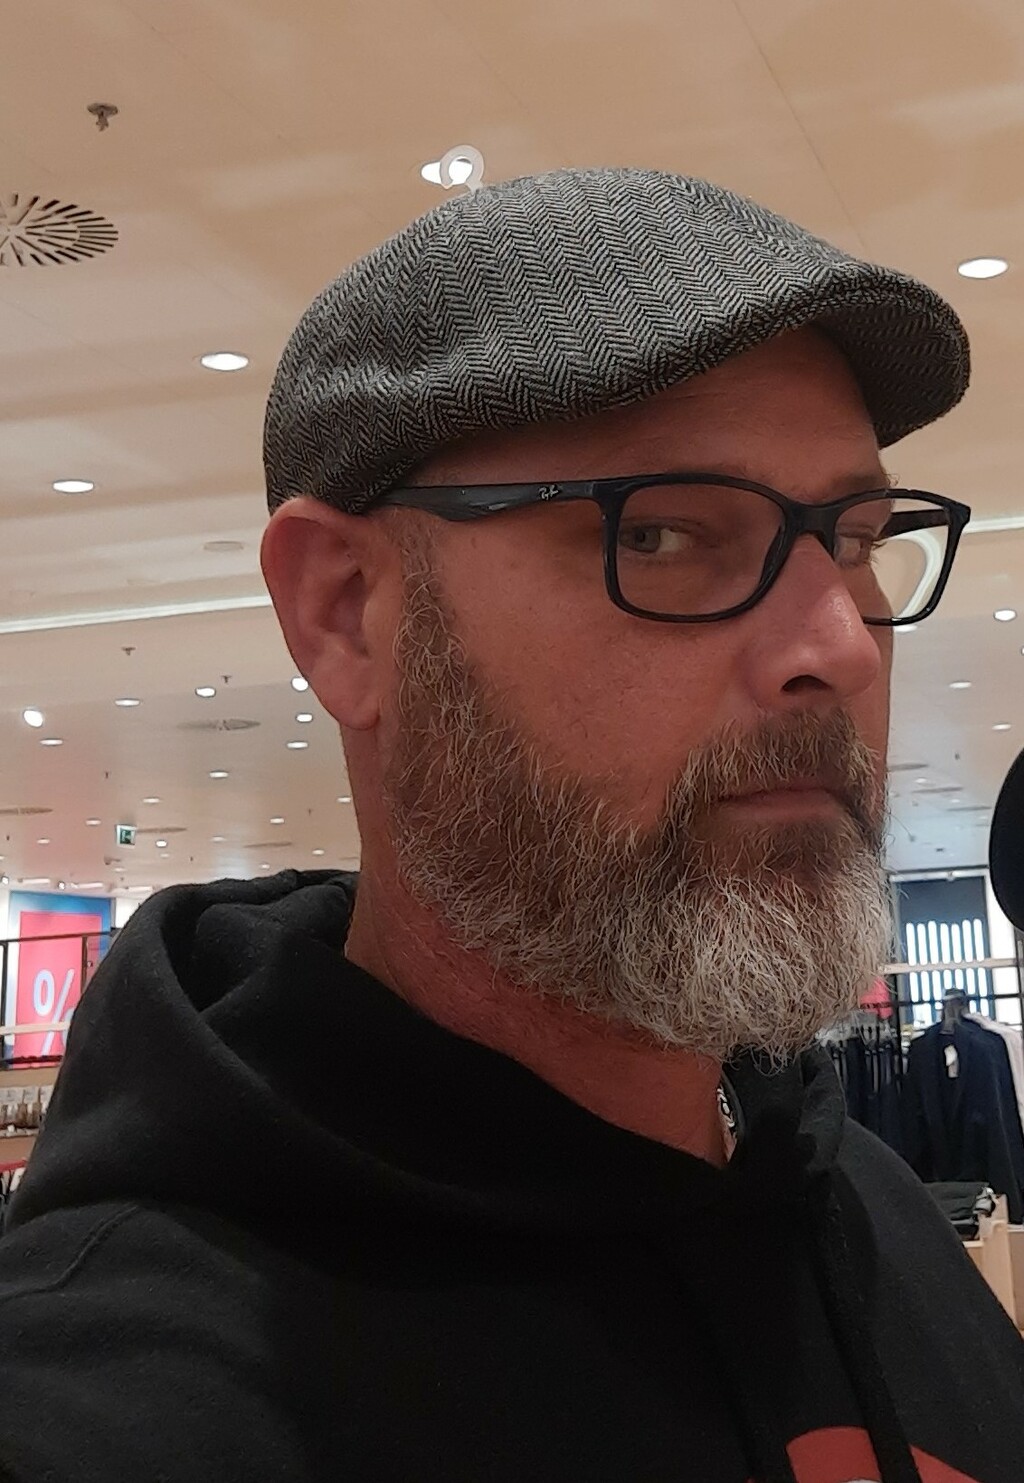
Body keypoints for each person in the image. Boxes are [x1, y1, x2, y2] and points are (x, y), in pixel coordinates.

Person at [0, 168, 1019, 1483]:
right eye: (663, 536)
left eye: (859, 540)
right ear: (346, 614)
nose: (841, 645)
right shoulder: (100, 1413)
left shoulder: (875, 1218)